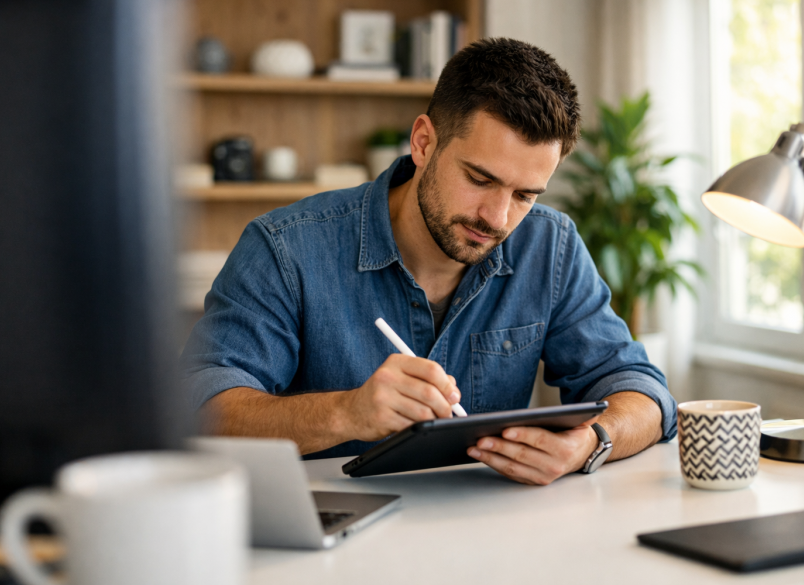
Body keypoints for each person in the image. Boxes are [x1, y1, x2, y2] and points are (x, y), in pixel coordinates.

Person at [180, 38, 677, 486]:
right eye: (480, 179)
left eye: (525, 194)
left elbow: (643, 392)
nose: (498, 218)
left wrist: (591, 442)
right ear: (423, 142)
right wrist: (346, 414)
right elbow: (200, 410)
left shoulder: (550, 246)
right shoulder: (285, 249)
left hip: (487, 538)